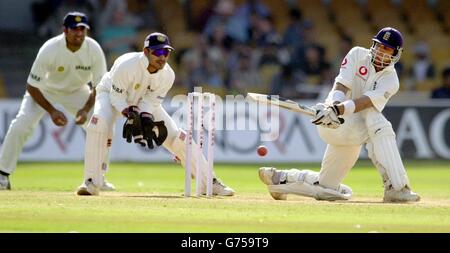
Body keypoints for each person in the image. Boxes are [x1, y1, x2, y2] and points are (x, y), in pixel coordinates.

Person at [258, 27, 420, 203]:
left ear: (396, 53)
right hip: (331, 122)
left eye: (386, 48)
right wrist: (333, 107)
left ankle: (281, 179)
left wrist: (338, 109)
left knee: (327, 188)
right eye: (379, 46)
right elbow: (342, 84)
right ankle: (396, 187)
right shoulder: (357, 54)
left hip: (353, 131)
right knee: (380, 125)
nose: (380, 51)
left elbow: (365, 102)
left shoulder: (391, 80)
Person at [76, 32, 235, 196]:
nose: (163, 57)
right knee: (98, 123)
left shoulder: (168, 75)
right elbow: (117, 98)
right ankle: (91, 182)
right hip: (109, 95)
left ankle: (208, 182)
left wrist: (145, 116)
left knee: (178, 137)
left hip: (140, 101)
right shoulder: (126, 64)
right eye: (158, 52)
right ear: (146, 52)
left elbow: (151, 101)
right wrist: (131, 113)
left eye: (166, 52)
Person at [0, 12, 115, 191]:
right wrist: (52, 110)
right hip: (45, 90)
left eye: (82, 29)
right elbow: (32, 85)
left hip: (78, 91)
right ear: (65, 30)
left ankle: (98, 177)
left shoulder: (93, 49)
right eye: (75, 29)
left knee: (102, 124)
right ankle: (2, 175)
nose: (79, 33)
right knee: (21, 124)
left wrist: (85, 110)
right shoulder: (50, 48)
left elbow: (100, 86)